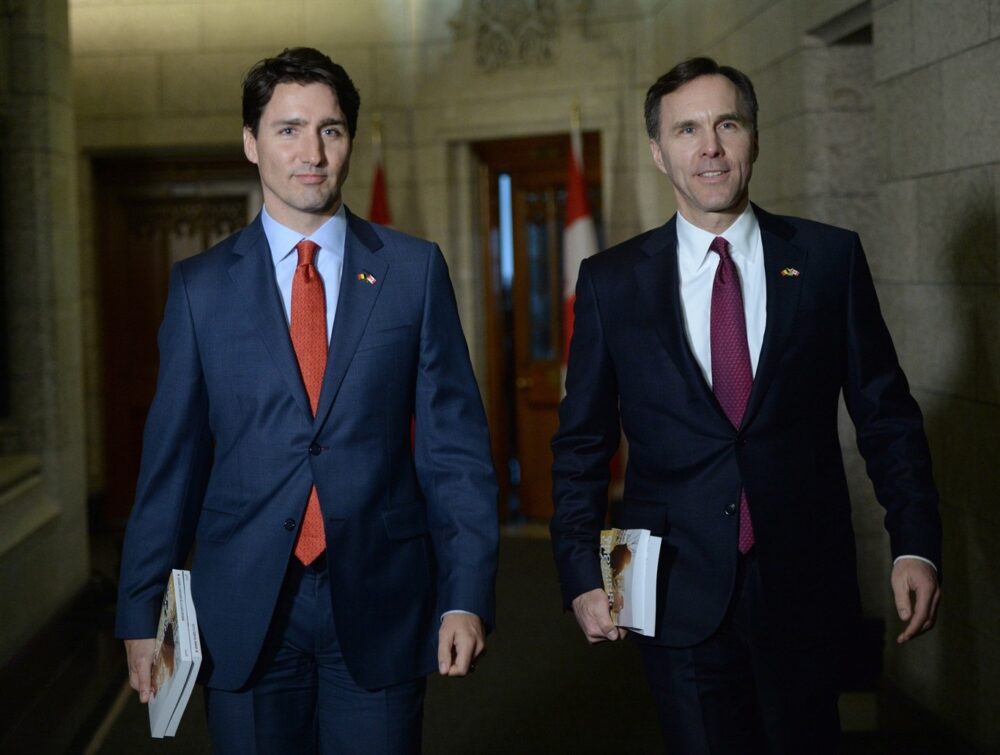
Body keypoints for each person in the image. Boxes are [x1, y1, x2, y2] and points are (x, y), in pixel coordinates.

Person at [550, 56, 942, 753]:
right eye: (687, 130)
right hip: (664, 581)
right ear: (658, 151)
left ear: (753, 138)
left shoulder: (828, 259)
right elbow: (582, 444)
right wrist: (584, 573)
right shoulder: (610, 281)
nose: (710, 147)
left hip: (804, 578)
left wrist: (915, 543)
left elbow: (887, 417)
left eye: (727, 125)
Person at [115, 47, 499, 754]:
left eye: (331, 129)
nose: (312, 152)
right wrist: (141, 612)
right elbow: (171, 465)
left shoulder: (412, 270)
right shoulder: (201, 287)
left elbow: (456, 453)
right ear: (251, 141)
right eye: (288, 129)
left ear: (349, 140)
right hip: (242, 611)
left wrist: (466, 593)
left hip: (382, 599)